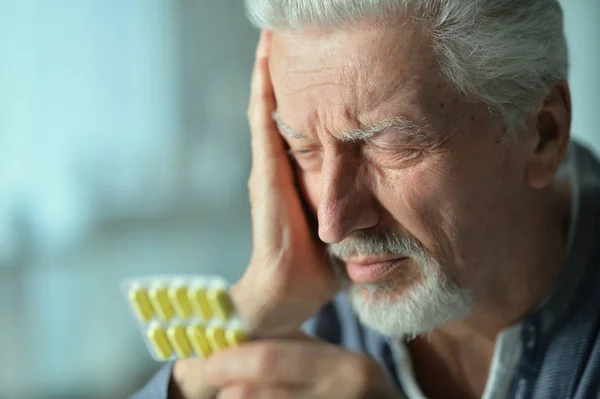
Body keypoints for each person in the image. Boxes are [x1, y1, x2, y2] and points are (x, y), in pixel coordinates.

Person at [134, 1, 600, 398]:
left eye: (391, 147)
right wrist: (249, 306)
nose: (333, 224)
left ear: (543, 133)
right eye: (305, 151)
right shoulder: (304, 297)